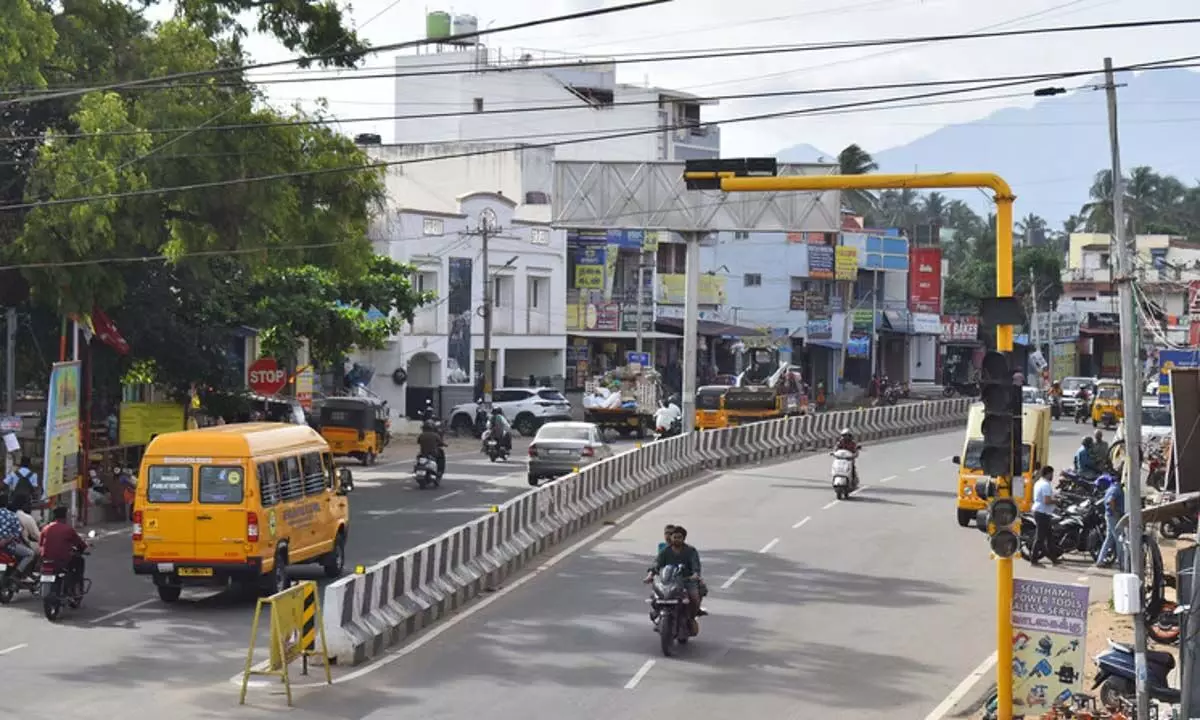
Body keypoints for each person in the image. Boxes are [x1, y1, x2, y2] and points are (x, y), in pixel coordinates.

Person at [645, 525, 705, 632]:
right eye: (674, 537)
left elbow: (696, 566)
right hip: (669, 582)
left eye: (679, 537)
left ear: (683, 538)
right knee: (655, 596)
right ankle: (658, 615)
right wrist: (650, 575)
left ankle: (691, 617)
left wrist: (695, 575)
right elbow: (656, 565)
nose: (676, 539)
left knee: (694, 597)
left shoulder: (690, 551)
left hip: (687, 581)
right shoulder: (666, 551)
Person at [39, 506, 88, 584]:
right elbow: (80, 544)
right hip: (62, 560)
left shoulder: (45, 528)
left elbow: (40, 544)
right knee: (80, 560)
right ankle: (78, 584)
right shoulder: (68, 529)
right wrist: (81, 549)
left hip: (46, 560)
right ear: (65, 516)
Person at [1029, 466, 1062, 566]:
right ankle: (1034, 560)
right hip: (1042, 513)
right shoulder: (1045, 485)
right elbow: (1047, 501)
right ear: (1048, 474)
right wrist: (1057, 501)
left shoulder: (1039, 482)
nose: (1052, 476)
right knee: (1040, 538)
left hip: (1042, 512)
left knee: (1050, 537)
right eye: (1051, 474)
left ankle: (1054, 560)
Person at [1094, 473, 1124, 568]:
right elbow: (1110, 501)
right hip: (1113, 516)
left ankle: (1100, 560)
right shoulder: (1116, 489)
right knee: (1119, 539)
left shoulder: (1111, 488)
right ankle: (1122, 562)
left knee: (1109, 539)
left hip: (1109, 516)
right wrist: (1115, 512)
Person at [0, 497, 35, 575]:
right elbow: (16, 533)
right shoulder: (12, 515)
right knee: (30, 553)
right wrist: (5, 541)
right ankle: (16, 574)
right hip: (9, 546)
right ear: (6, 504)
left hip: (6, 547)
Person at [10, 494, 38, 577]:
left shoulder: (9, 514)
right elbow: (36, 535)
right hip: (15, 544)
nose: (30, 506)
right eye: (29, 503)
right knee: (34, 552)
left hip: (9, 544)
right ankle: (23, 574)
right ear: (24, 504)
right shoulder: (26, 517)